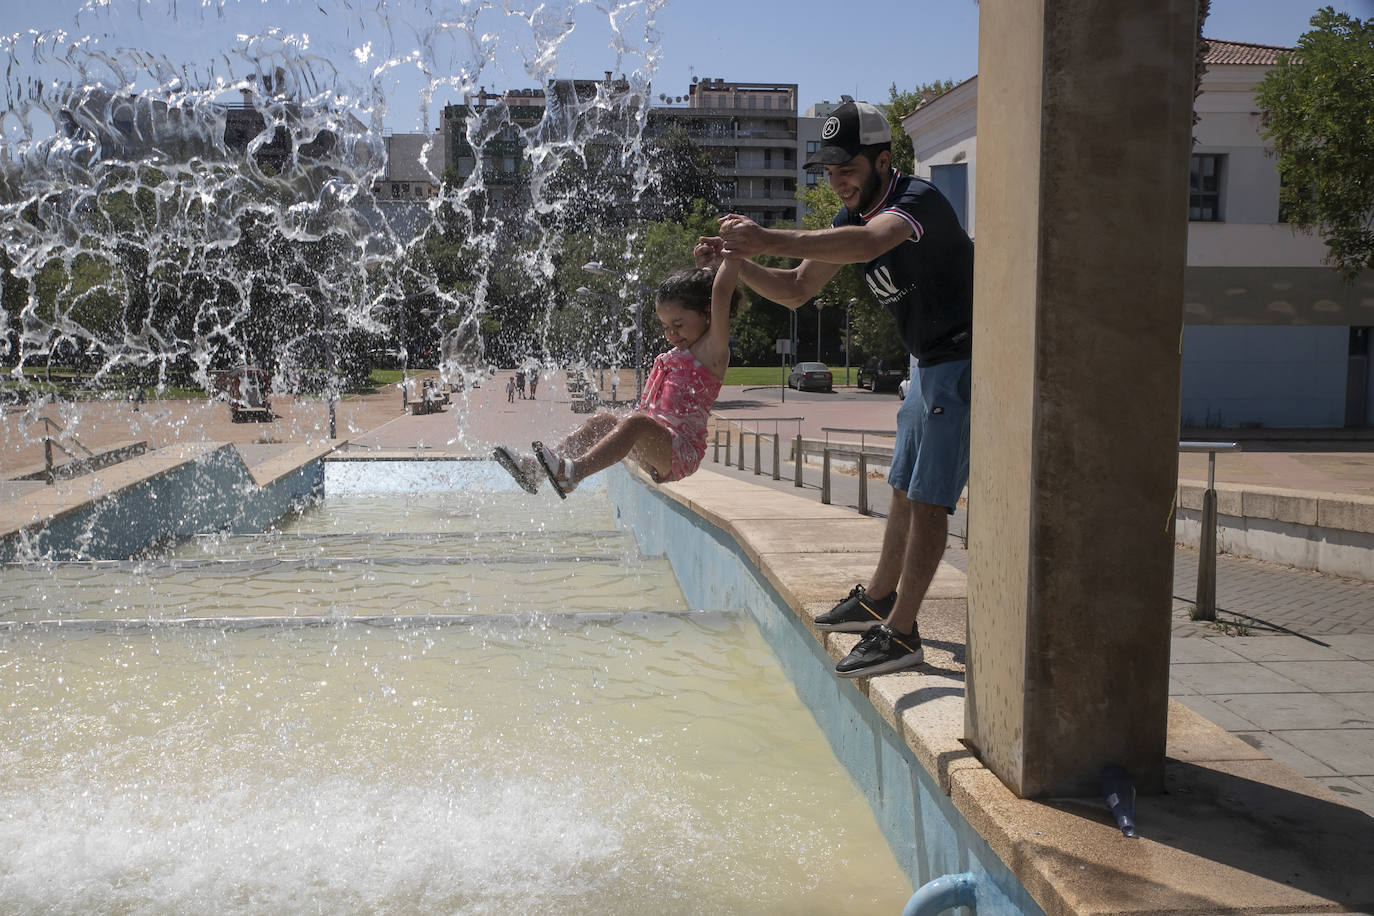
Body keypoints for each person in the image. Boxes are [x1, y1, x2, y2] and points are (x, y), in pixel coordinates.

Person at [713, 100, 974, 680]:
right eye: (829, 172)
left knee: (930, 499)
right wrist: (740, 257)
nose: (838, 182)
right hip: (927, 361)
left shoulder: (915, 202)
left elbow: (866, 246)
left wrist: (763, 235)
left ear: (883, 160)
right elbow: (797, 289)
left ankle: (902, 633)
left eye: (848, 168)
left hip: (963, 359)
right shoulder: (845, 220)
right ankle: (880, 598)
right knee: (905, 488)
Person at [493, 253, 741, 497]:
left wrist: (731, 255)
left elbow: (720, 294)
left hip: (680, 452)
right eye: (665, 327)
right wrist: (705, 266)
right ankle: (535, 471)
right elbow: (709, 294)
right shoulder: (689, 347)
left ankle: (572, 474)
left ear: (708, 313)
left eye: (677, 325)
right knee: (603, 421)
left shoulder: (713, 352)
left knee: (636, 422)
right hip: (655, 445)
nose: (671, 335)